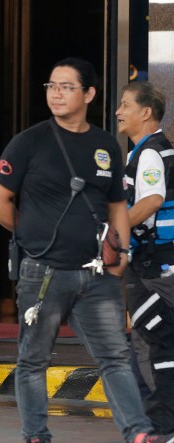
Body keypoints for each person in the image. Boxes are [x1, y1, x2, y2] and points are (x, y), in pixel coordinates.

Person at [0, 57, 172, 443]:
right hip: (43, 273)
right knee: (33, 360)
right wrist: (32, 236)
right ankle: (36, 434)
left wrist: (120, 256)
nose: (56, 93)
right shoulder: (29, 142)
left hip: (96, 275)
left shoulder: (105, 145)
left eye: (67, 86)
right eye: (52, 86)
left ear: (88, 94)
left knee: (115, 357)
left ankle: (138, 432)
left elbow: (118, 204)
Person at [117, 81, 174, 434]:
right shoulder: (145, 152)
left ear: (146, 113)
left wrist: (114, 230)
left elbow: (151, 201)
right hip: (152, 263)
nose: (119, 111)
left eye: (125, 105)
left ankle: (159, 427)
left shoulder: (150, 153)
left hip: (152, 267)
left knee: (151, 346)